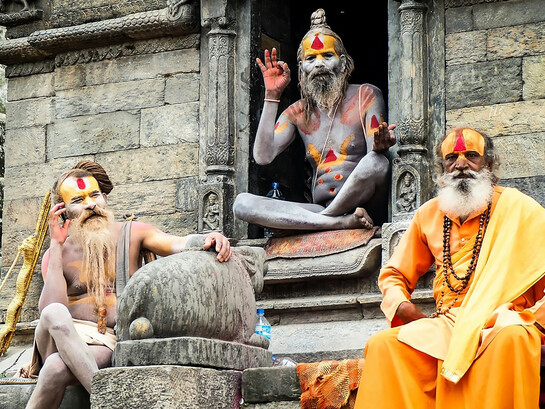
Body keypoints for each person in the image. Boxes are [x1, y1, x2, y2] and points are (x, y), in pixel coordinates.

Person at [354, 128, 545, 408]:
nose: (461, 164)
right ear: (441, 167)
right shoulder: (429, 214)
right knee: (384, 346)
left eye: (471, 156)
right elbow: (394, 274)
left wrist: (533, 319)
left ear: (488, 164)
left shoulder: (522, 210)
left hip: (501, 321)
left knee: (513, 340)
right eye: (452, 157)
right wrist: (402, 307)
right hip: (448, 323)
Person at [23, 160, 232, 409]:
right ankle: (112, 403)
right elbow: (50, 310)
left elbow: (177, 243)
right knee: (55, 312)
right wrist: (56, 245)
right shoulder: (55, 253)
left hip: (103, 341)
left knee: (56, 369)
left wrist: (208, 238)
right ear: (64, 211)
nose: (90, 204)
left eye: (95, 195)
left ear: (105, 199)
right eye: (78, 200)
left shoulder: (132, 233)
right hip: (56, 337)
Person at [233, 8, 396, 232]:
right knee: (242, 204)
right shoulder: (297, 112)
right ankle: (337, 222)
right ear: (301, 69)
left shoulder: (366, 95)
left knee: (377, 163)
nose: (319, 64)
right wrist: (272, 96)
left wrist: (379, 148)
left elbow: (374, 165)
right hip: (317, 210)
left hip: (365, 205)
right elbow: (262, 156)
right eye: (311, 58)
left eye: (327, 56)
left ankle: (316, 223)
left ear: (344, 63)